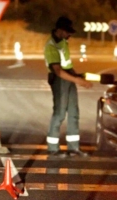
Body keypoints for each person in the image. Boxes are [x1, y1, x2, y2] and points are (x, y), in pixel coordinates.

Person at [44, 16, 93, 158]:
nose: (69, 35)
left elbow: (66, 64)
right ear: (59, 30)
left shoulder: (63, 41)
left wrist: (77, 76)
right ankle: (53, 148)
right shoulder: (51, 46)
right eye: (67, 32)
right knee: (59, 113)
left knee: (74, 113)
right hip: (60, 80)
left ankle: (74, 148)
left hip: (69, 77)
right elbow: (58, 71)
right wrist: (77, 80)